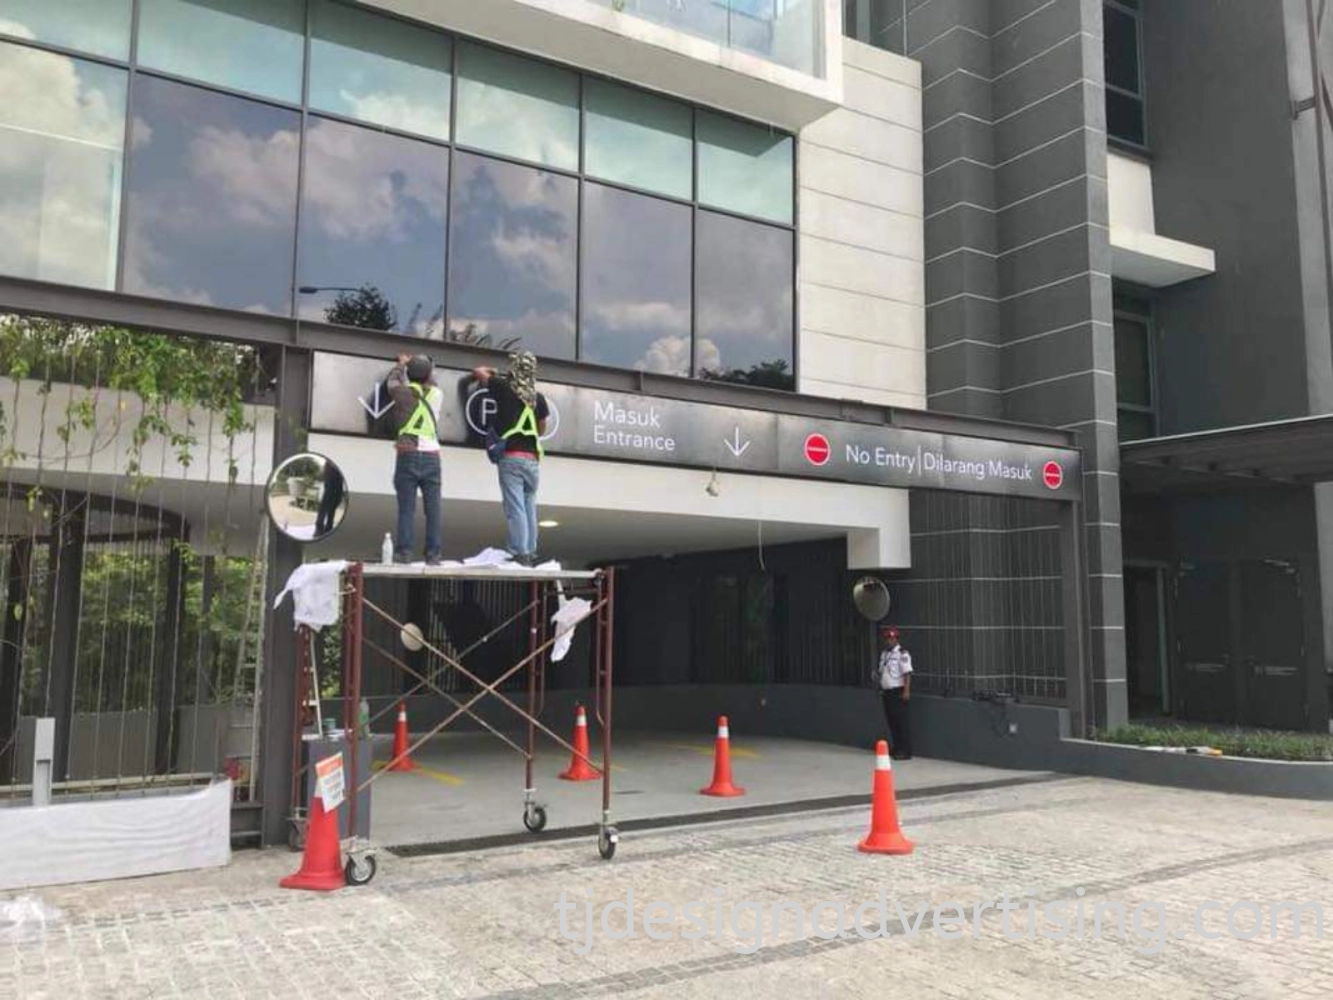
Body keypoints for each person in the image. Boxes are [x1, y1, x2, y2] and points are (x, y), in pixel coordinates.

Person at [472, 352, 549, 566]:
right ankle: (531, 551)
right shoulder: (538, 398)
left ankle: (519, 551)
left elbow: (479, 372)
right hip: (532, 460)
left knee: (515, 507)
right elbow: (542, 428)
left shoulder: (503, 387)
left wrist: (495, 372)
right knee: (529, 505)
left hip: (511, 457)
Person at [386, 353, 444, 564]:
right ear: (429, 374)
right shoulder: (437, 394)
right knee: (433, 509)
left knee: (406, 509)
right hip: (432, 456)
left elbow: (392, 382)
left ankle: (404, 553)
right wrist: (425, 366)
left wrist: (401, 365)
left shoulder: (401, 393)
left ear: (410, 375)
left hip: (407, 454)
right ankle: (433, 555)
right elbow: (431, 379)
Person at [876, 625, 912, 760]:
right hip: (887, 692)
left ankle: (905, 750)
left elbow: (907, 673)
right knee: (891, 721)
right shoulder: (885, 654)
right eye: (887, 638)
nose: (889, 641)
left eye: (892, 638)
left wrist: (906, 691)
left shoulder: (902, 654)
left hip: (898, 691)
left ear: (897, 639)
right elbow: (882, 672)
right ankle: (896, 747)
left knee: (901, 722)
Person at [313, 459, 345, 538]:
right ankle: (319, 527)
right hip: (331, 469)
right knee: (327, 499)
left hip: (339, 471)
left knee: (335, 500)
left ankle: (329, 526)